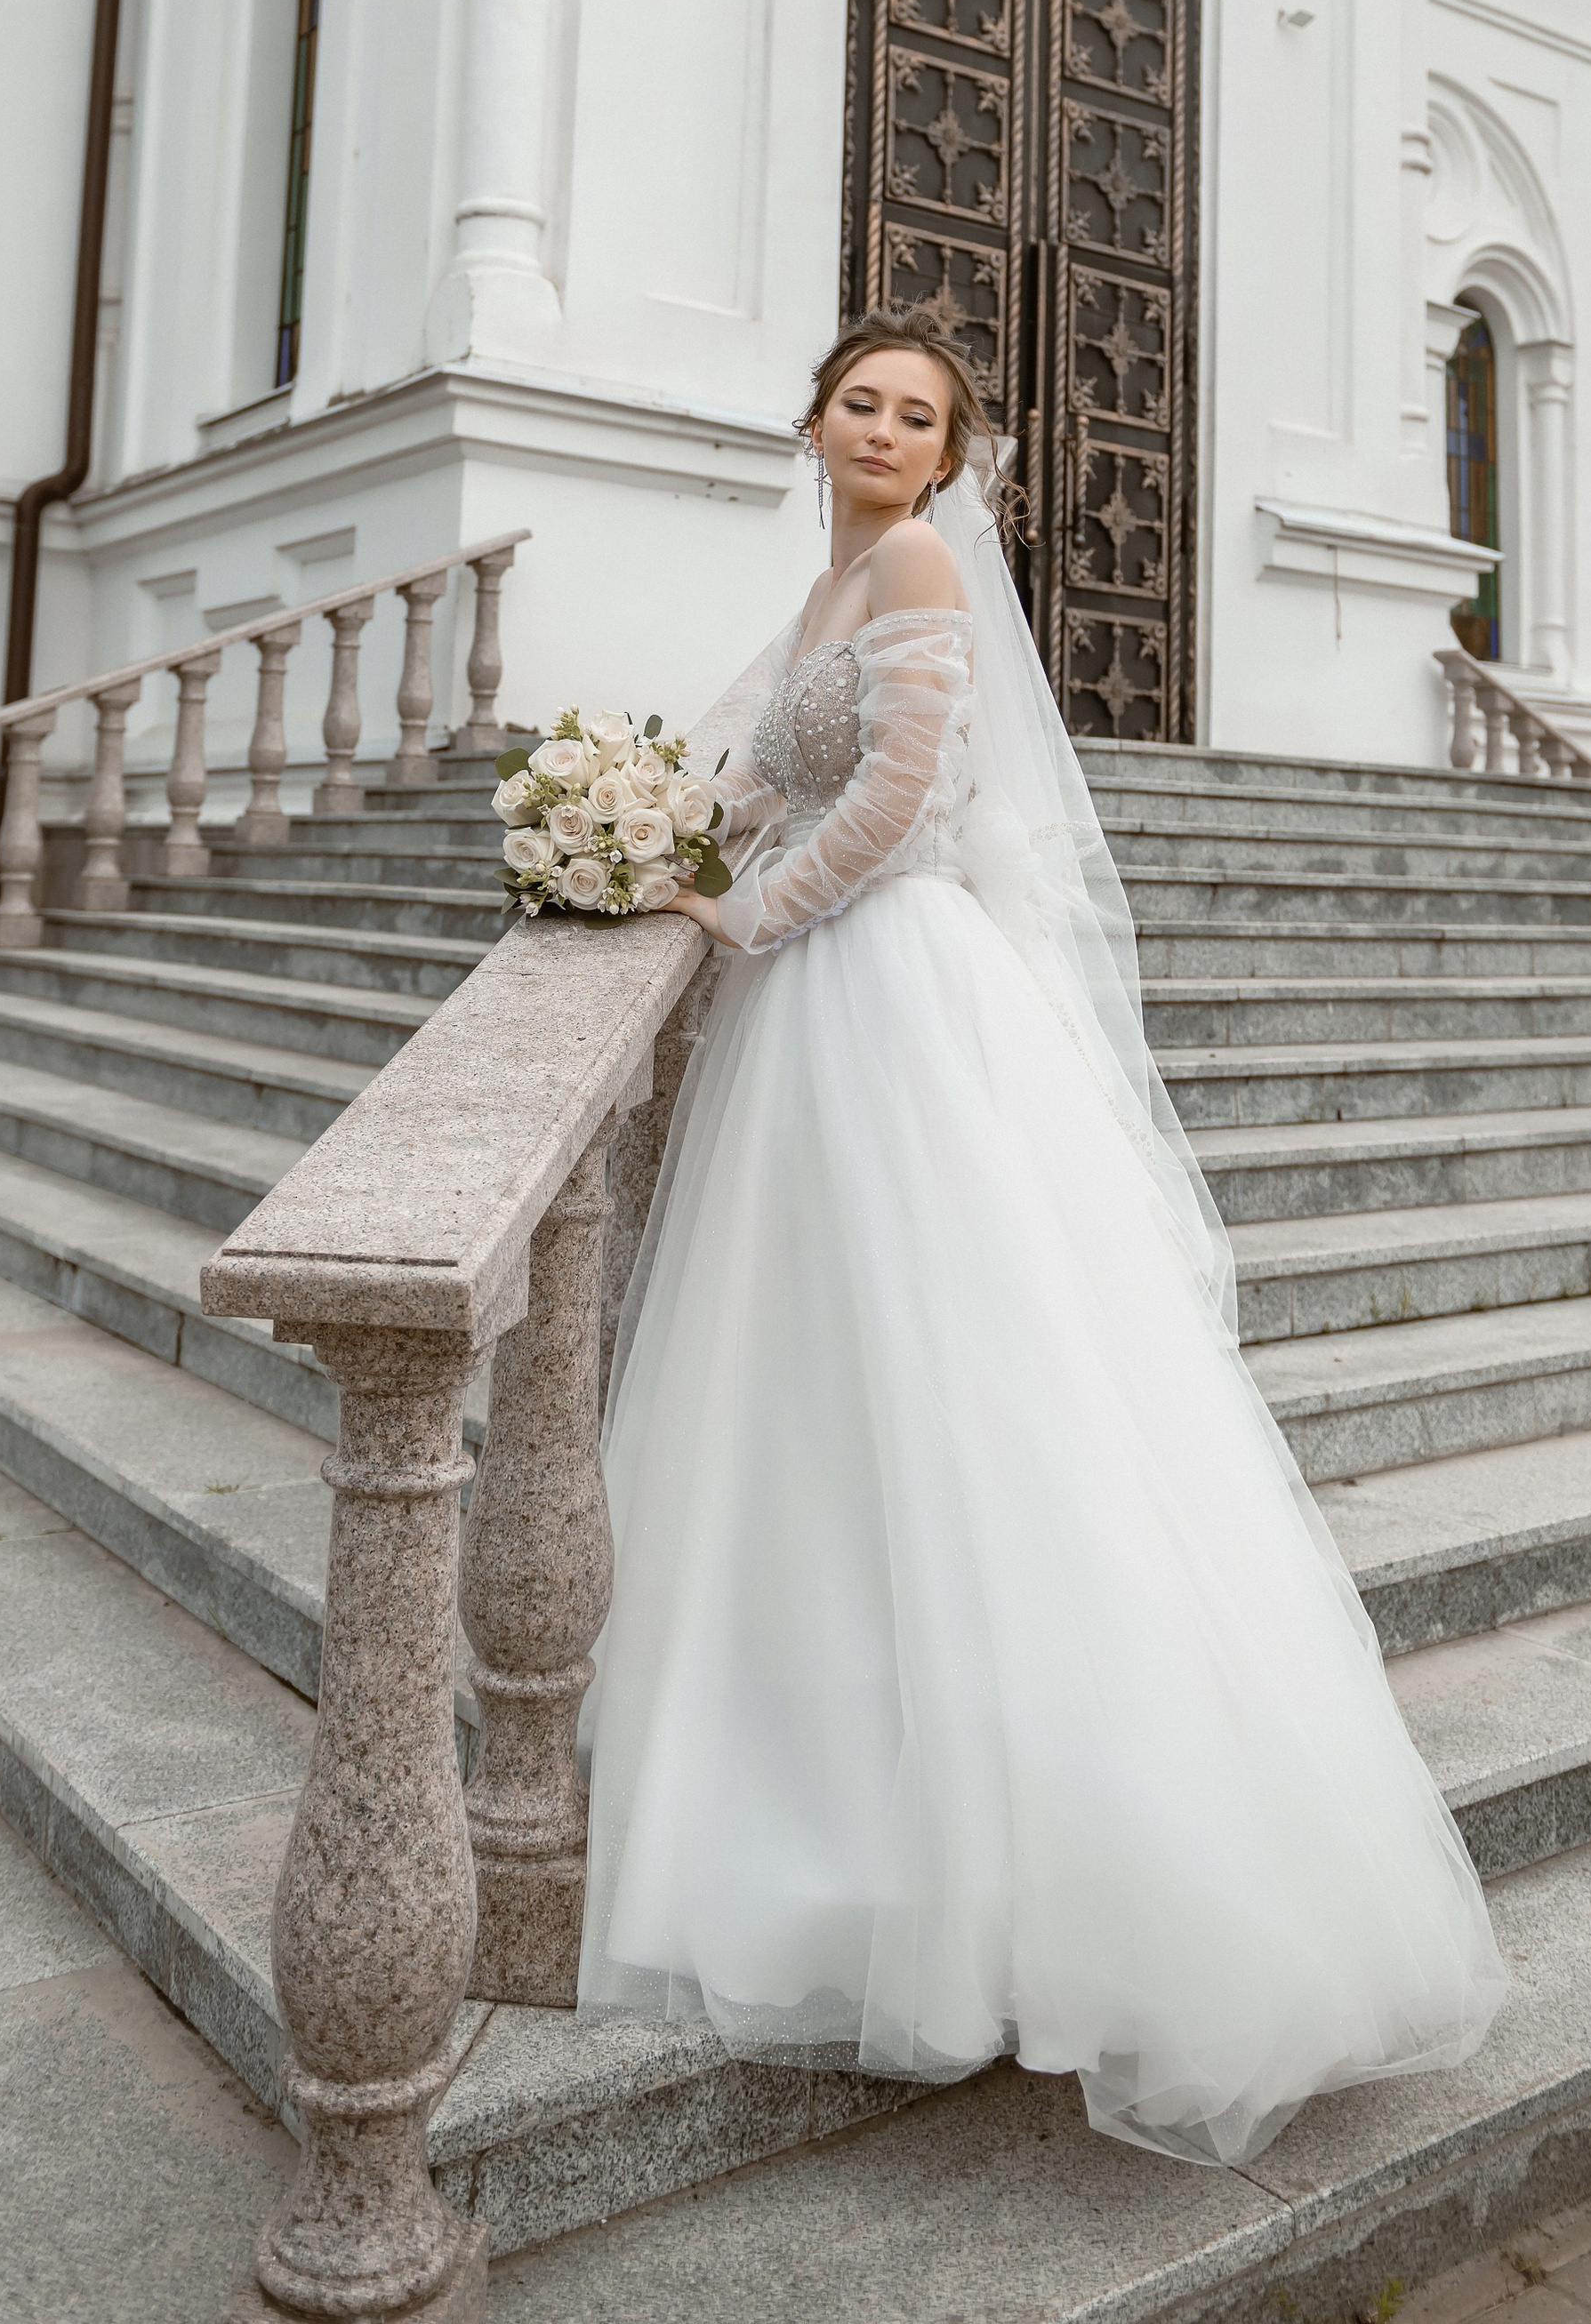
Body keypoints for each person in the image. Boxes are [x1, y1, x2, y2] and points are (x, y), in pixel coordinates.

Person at [575, 307, 1507, 2167]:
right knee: (819, 1402)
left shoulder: (913, 560)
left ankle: (1038, 1859)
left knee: (957, 1398)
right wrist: (634, 840)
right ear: (816, 418)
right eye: (861, 402)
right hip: (817, 1006)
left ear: (947, 451)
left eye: (916, 415)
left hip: (888, 997)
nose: (883, 431)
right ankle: (844, 1807)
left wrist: (738, 918)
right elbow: (771, 767)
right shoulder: (833, 573)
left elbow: (904, 791)